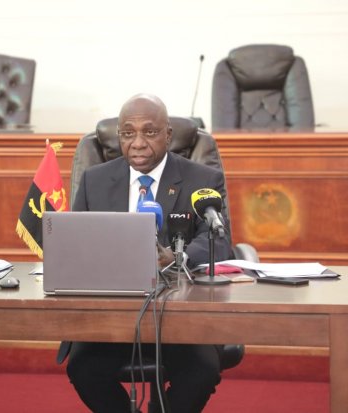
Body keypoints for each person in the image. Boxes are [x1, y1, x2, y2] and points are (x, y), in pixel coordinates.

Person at [66, 93, 233, 413]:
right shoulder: (94, 181)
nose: (138, 143)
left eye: (150, 132)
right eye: (128, 133)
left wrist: (177, 257)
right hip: (111, 313)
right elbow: (76, 242)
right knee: (84, 369)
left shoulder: (202, 179)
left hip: (180, 313)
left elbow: (218, 242)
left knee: (201, 370)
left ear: (168, 135)